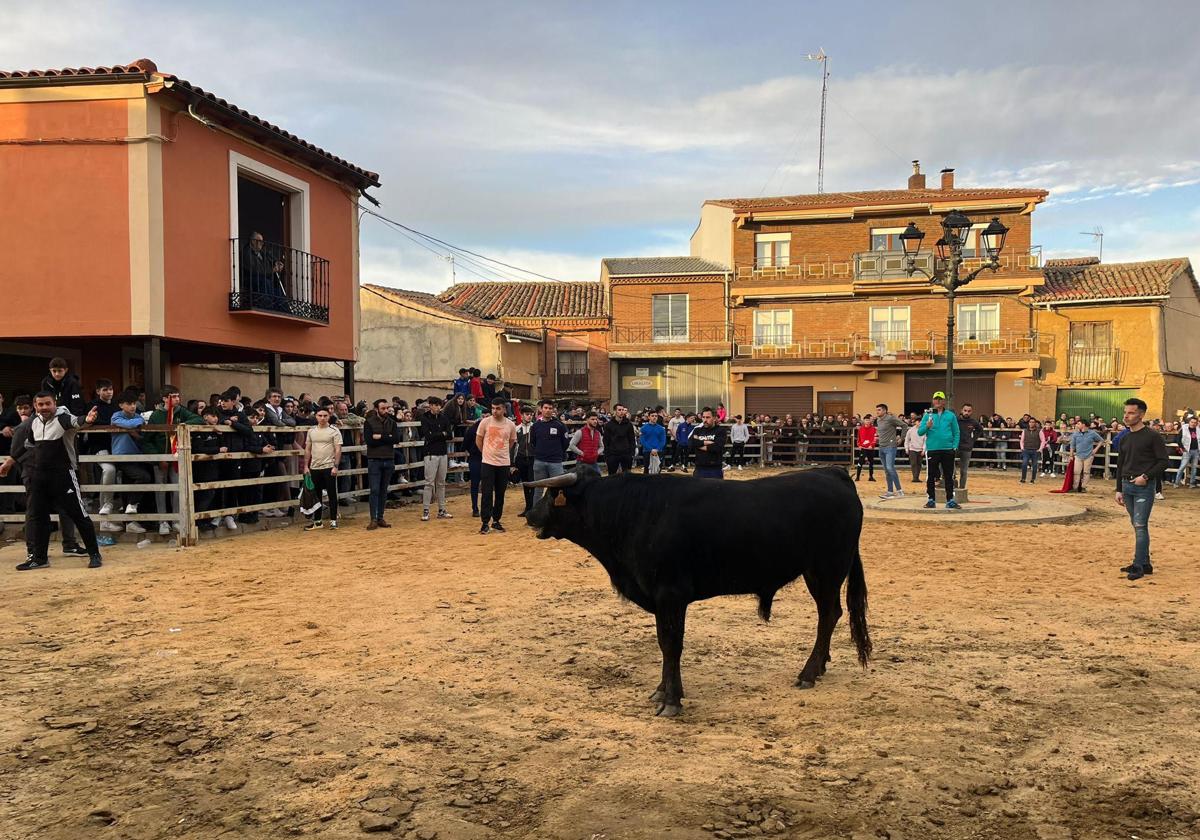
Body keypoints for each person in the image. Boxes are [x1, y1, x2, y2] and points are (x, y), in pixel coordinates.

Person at [1, 391, 102, 570]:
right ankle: (39, 558)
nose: (44, 407)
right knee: (38, 516)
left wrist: (88, 418)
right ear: (35, 406)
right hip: (40, 477)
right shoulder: (34, 423)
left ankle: (94, 554)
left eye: (48, 404)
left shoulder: (62, 418)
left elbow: (77, 421)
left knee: (79, 515)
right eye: (40, 404)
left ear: (54, 403)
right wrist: (10, 461)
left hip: (64, 476)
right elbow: (28, 445)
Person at [1115, 398, 1170, 580]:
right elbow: (1121, 463)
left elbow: (1163, 461)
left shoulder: (1152, 436)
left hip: (1143, 487)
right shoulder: (1125, 437)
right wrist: (1118, 489)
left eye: (1131, 413)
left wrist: (1146, 476)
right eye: (1125, 412)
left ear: (1141, 414)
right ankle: (1144, 563)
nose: (1126, 416)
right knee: (1136, 525)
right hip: (1127, 485)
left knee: (1140, 525)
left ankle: (1138, 565)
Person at [476, 397, 517, 534]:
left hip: (503, 463)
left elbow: (511, 442)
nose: (495, 411)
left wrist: (502, 454)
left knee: (500, 493)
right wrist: (486, 453)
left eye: (498, 408)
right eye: (493, 408)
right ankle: (485, 522)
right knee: (486, 493)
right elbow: (479, 440)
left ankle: (496, 520)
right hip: (488, 462)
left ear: (504, 409)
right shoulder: (485, 422)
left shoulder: (510, 425)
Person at [918, 390, 960, 509]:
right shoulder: (928, 415)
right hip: (932, 449)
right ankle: (931, 499)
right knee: (931, 475)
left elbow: (956, 432)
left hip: (947, 449)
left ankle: (950, 500)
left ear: (944, 401)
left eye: (940, 399)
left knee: (948, 475)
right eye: (936, 399)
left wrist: (954, 446)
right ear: (933, 401)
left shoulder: (950, 415)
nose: (938, 401)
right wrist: (927, 426)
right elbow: (920, 432)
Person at [302, 408, 341, 530]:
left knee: (331, 494)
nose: (322, 418)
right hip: (314, 466)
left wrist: (336, 466)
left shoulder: (334, 431)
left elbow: (338, 449)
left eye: (325, 415)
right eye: (320, 415)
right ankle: (318, 521)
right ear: (316, 416)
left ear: (329, 416)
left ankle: (333, 520)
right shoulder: (311, 431)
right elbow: (307, 449)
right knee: (316, 494)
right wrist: (305, 466)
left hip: (329, 466)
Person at [363, 399, 398, 530]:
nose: (385, 411)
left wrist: (380, 437)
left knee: (383, 490)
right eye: (383, 408)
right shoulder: (369, 422)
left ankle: (380, 517)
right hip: (375, 459)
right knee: (375, 490)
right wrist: (387, 437)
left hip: (388, 458)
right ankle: (373, 518)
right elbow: (370, 441)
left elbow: (395, 439)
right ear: (377, 409)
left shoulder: (392, 422)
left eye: (386, 408)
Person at [419, 396, 454, 521]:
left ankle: (442, 509)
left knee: (441, 483)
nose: (438, 407)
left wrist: (439, 435)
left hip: (442, 452)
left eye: (440, 405)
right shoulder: (425, 418)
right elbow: (427, 435)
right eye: (436, 405)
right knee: (429, 483)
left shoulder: (444, 418)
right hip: (430, 453)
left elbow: (449, 435)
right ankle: (426, 510)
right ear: (431, 405)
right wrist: (442, 434)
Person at [530, 400, 569, 491]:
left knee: (558, 489)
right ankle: (537, 506)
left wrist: (557, 453)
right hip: (539, 462)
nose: (548, 410)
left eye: (550, 408)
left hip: (555, 462)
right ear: (541, 409)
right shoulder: (535, 426)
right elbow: (533, 442)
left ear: (553, 410)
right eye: (546, 408)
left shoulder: (560, 426)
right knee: (538, 490)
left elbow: (565, 443)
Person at [874, 404, 907, 499]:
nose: (877, 412)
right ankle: (890, 491)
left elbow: (904, 425)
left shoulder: (891, 418)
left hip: (890, 447)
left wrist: (902, 438)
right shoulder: (879, 420)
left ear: (884, 410)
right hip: (881, 447)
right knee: (886, 470)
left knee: (890, 468)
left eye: (879, 410)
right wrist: (877, 439)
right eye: (877, 410)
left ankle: (900, 491)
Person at [688, 408, 727, 479]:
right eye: (703, 417)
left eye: (708, 417)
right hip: (699, 469)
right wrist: (707, 442)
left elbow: (717, 447)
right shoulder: (697, 430)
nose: (705, 420)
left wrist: (699, 444)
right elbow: (692, 443)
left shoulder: (721, 431)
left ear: (714, 418)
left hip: (715, 469)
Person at [1069, 419, 1104, 492]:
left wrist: (1095, 450)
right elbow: (1072, 445)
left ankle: (1083, 487)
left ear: (1083, 424)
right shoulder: (1076, 434)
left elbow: (1101, 440)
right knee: (1076, 472)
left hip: (1088, 455)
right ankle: (1075, 487)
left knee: (1086, 472)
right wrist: (1071, 455)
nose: (1077, 425)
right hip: (1078, 455)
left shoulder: (1092, 433)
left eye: (1078, 424)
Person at [602, 403, 636, 475]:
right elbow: (606, 440)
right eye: (619, 410)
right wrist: (607, 455)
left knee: (627, 476)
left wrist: (631, 453)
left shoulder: (628, 424)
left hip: (626, 454)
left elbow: (632, 439)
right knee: (612, 476)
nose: (621, 412)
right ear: (615, 411)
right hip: (613, 454)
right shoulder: (609, 425)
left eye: (622, 410)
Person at [956, 403, 983, 490]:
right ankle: (952, 483)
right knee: (948, 465)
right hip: (955, 447)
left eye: (969, 411)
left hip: (967, 448)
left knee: (964, 471)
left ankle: (962, 488)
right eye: (965, 410)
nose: (966, 412)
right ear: (961, 410)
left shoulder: (973, 422)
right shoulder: (956, 420)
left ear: (971, 412)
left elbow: (980, 430)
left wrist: (973, 439)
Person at [514, 411, 536, 515]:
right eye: (527, 414)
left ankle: (532, 507)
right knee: (526, 484)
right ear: (522, 415)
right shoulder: (517, 428)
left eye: (531, 414)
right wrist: (512, 463)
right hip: (521, 459)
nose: (529, 416)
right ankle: (528, 507)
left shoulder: (535, 428)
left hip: (533, 458)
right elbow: (513, 447)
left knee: (533, 483)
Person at [1174, 415, 1199, 487]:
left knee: (1194, 468)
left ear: (1197, 423)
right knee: (1182, 466)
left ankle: (1192, 483)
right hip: (1187, 450)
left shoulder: (1198, 430)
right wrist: (1182, 447)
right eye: (1192, 422)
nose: (1193, 423)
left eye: (1195, 422)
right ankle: (1176, 482)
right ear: (1189, 422)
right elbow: (1178, 439)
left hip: (1196, 450)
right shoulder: (1184, 429)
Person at [1018, 418, 1046, 484]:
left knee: (1034, 465)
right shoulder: (1024, 431)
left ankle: (1033, 479)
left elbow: (1043, 441)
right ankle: (1023, 478)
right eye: (1030, 422)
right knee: (1024, 464)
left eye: (1033, 422)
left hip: (1035, 450)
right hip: (1026, 450)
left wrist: (1040, 449)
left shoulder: (1039, 431)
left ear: (1035, 423)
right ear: (1029, 423)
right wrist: (1022, 448)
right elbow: (1022, 440)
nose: (1031, 423)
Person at [854, 417, 877, 482]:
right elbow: (858, 438)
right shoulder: (860, 429)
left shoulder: (873, 429)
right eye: (866, 420)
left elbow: (875, 438)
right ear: (864, 421)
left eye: (868, 420)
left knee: (871, 463)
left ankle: (871, 476)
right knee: (860, 462)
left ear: (870, 421)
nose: (867, 421)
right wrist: (859, 445)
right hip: (863, 448)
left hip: (870, 448)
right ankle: (857, 477)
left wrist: (871, 445)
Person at [904, 416, 925, 483]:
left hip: (920, 449)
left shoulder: (924, 431)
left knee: (919, 464)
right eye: (918, 421)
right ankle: (914, 477)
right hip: (912, 449)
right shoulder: (911, 430)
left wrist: (924, 450)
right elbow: (907, 439)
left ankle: (917, 477)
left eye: (921, 422)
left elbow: (925, 441)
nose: (920, 423)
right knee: (913, 463)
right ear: (915, 422)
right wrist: (906, 448)